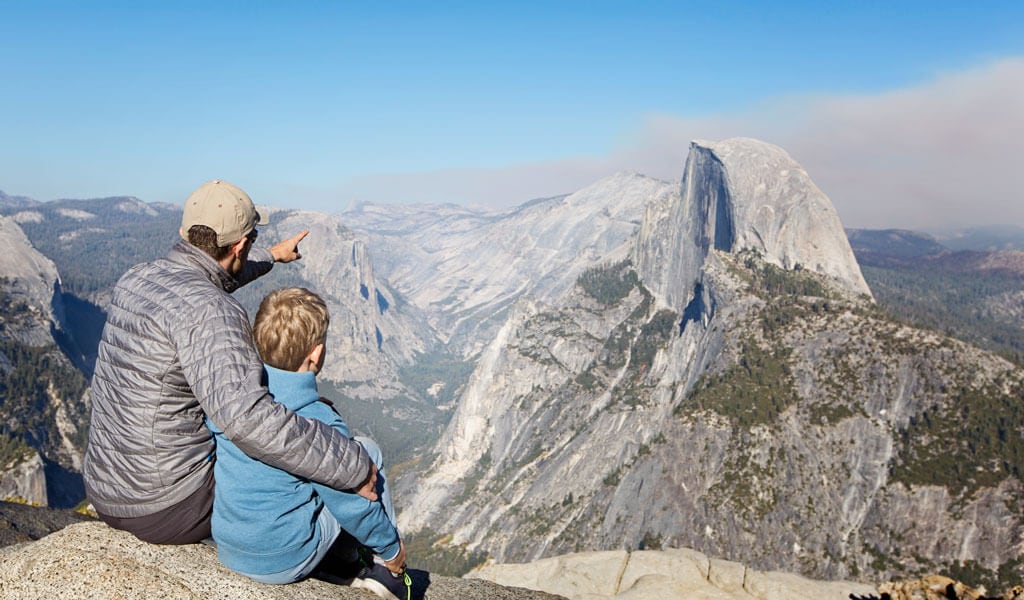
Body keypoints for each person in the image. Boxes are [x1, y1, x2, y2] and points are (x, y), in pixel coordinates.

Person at [83, 179, 377, 546]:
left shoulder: (138, 278)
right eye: (250, 241)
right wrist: (352, 465)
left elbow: (208, 281)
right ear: (239, 245)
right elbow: (251, 421)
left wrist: (271, 256)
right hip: (168, 507)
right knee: (285, 463)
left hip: (106, 488)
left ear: (187, 232)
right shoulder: (214, 311)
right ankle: (343, 559)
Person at [208, 287, 410, 599]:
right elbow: (351, 504)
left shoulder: (236, 400)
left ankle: (343, 556)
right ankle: (384, 571)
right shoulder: (320, 423)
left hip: (230, 543)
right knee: (365, 452)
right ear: (315, 353)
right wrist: (392, 547)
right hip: (283, 559)